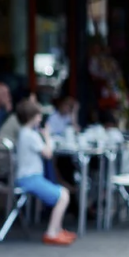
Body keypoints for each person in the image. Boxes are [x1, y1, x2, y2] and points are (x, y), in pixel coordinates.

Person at [15, 98, 76, 246]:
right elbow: (48, 153)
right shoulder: (31, 135)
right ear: (33, 117)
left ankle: (57, 228)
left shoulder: (24, 133)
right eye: (39, 115)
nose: (41, 118)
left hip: (26, 177)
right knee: (63, 196)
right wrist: (47, 136)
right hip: (30, 178)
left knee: (63, 192)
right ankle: (51, 232)